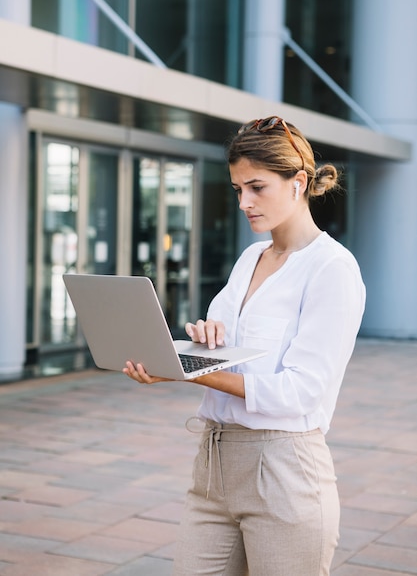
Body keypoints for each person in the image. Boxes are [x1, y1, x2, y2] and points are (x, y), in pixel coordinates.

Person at [123, 115, 366, 576]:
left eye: (256, 187)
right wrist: (203, 342)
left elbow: (301, 392)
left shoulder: (332, 268)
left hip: (284, 470)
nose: (243, 202)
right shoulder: (250, 258)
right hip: (213, 467)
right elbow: (232, 345)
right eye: (238, 189)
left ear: (298, 182)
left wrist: (189, 369)